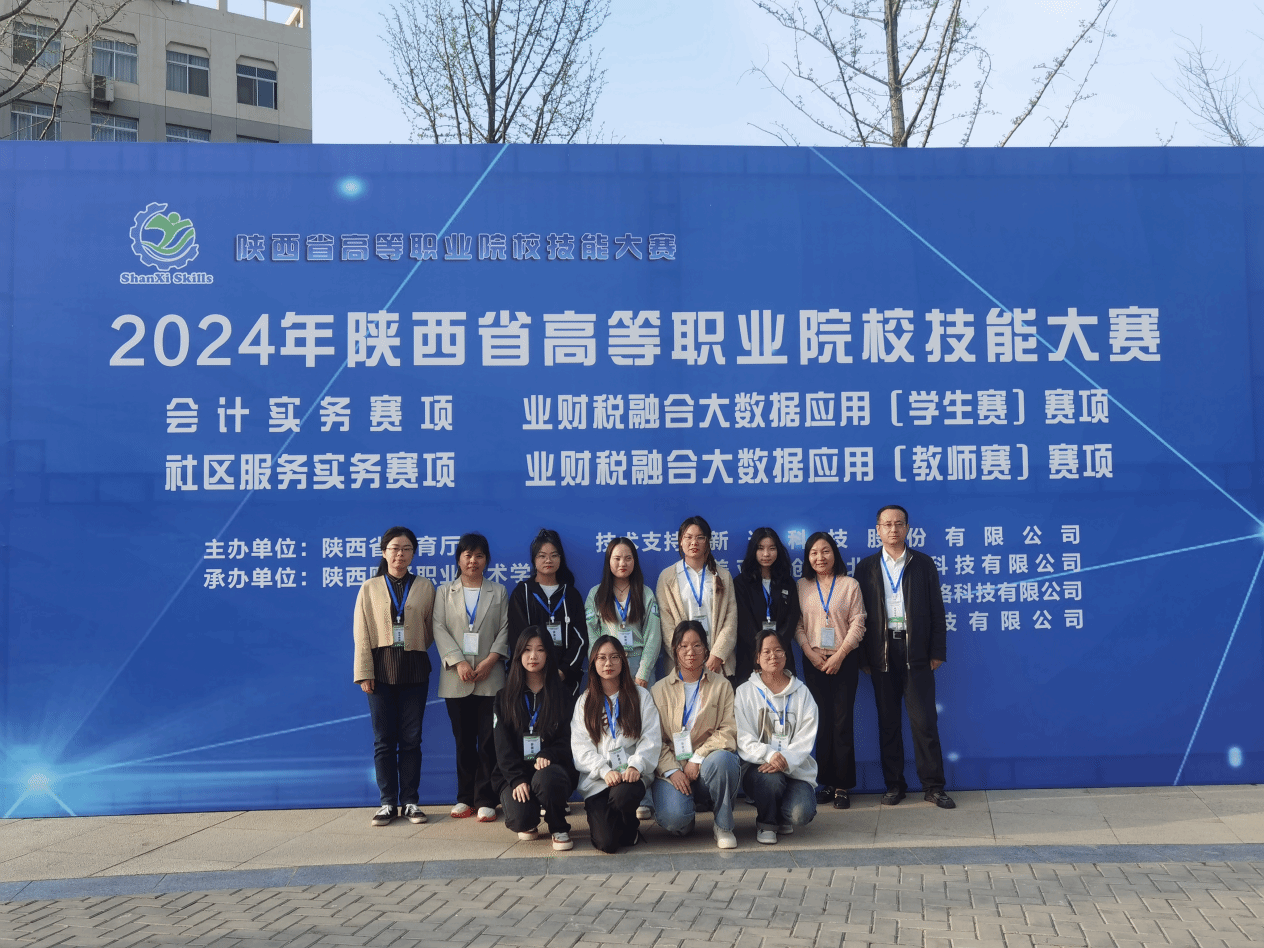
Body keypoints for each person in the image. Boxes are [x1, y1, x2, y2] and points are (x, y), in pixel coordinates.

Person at [853, 505, 955, 809]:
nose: (893, 529)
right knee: (888, 723)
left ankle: (933, 786)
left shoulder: (922, 563)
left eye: (899, 524)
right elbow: (858, 615)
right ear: (878, 530)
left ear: (907, 528)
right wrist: (863, 658)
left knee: (924, 722)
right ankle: (894, 785)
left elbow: (937, 610)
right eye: (887, 524)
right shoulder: (866, 568)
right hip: (882, 653)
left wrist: (937, 650)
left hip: (917, 653)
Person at [352, 527, 436, 827]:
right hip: (380, 671)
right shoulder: (370, 587)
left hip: (414, 669)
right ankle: (387, 802)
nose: (400, 554)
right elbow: (361, 633)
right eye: (395, 548)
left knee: (412, 739)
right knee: (384, 740)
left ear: (414, 553)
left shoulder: (425, 586)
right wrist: (364, 672)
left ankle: (410, 801)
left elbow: (430, 629)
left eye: (407, 549)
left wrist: (412, 646)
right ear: (384, 552)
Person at [433, 532, 509, 822]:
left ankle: (486, 798)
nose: (473, 561)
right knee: (463, 741)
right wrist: (459, 662)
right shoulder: (444, 592)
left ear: (486, 560)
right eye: (468, 555)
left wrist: (491, 660)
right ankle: (464, 797)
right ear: (458, 559)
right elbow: (438, 627)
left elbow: (506, 628)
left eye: (479, 555)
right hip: (457, 678)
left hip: (491, 677)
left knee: (489, 741)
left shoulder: (498, 591)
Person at [649, 621, 741, 849]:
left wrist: (698, 758)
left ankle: (723, 826)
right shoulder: (658, 690)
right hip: (673, 769)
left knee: (725, 760)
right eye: (684, 646)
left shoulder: (722, 686)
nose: (691, 652)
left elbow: (728, 730)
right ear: (675, 650)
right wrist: (672, 770)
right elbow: (653, 740)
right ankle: (685, 814)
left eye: (697, 645)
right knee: (675, 821)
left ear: (706, 649)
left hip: (707, 765)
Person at [794, 531, 865, 810]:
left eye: (825, 551)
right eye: (813, 553)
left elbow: (858, 622)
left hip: (844, 661)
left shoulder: (849, 585)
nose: (819, 557)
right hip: (814, 662)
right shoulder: (802, 586)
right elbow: (797, 624)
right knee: (821, 723)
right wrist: (809, 653)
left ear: (834, 553)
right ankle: (825, 782)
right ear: (807, 557)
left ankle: (842, 786)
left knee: (842, 723)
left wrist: (840, 655)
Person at [571, 636, 662, 853]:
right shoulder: (585, 702)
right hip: (598, 781)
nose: (608, 663)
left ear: (623, 660)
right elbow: (580, 746)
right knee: (607, 843)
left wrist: (636, 765)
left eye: (614, 657)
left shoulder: (640, 696)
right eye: (601, 658)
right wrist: (603, 770)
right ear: (593, 663)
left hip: (630, 776)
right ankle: (613, 825)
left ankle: (628, 825)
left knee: (623, 796)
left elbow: (651, 737)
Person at [492, 627, 578, 850]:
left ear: (548, 654)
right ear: (518, 654)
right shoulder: (504, 697)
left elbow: (570, 739)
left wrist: (549, 753)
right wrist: (516, 778)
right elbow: (502, 746)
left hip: (551, 771)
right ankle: (529, 815)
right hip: (516, 773)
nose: (533, 656)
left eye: (540, 650)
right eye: (527, 650)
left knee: (547, 779)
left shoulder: (563, 695)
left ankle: (558, 826)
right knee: (521, 819)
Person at [734, 629, 819, 844]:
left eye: (778, 650)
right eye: (767, 651)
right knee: (771, 781)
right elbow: (743, 737)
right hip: (759, 767)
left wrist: (785, 760)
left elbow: (806, 737)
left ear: (786, 655)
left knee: (801, 814)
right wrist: (769, 754)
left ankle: (782, 815)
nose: (773, 656)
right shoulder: (745, 692)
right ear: (757, 657)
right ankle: (767, 823)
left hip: (795, 770)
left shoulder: (802, 693)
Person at [508, 529, 588, 704]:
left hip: (566, 681)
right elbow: (517, 638)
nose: (548, 560)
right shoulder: (522, 593)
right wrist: (536, 673)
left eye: (554, 555)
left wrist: (563, 671)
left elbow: (580, 639)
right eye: (542, 556)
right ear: (534, 560)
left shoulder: (571, 594)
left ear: (561, 558)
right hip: (530, 680)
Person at [656, 516, 737, 679]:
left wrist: (717, 655)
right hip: (681, 665)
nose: (694, 542)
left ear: (707, 542)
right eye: (688, 537)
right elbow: (666, 624)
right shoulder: (667, 577)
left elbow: (731, 619)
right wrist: (685, 657)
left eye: (700, 537)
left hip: (717, 665)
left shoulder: (722, 575)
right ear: (680, 541)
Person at [585, 537, 662, 687]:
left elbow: (653, 636)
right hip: (608, 666)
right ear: (609, 561)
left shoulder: (646, 593)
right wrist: (599, 665)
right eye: (617, 558)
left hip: (639, 666)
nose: (623, 563)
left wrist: (644, 672)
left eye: (628, 558)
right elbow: (592, 635)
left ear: (634, 561)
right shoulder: (596, 594)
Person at [733, 528, 800, 685]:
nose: (766, 554)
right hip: (751, 657)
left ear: (778, 551)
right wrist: (762, 652)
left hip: (781, 657)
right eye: (760, 548)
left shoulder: (787, 582)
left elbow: (792, 618)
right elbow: (744, 622)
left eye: (772, 548)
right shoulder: (741, 583)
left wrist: (776, 650)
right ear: (753, 551)